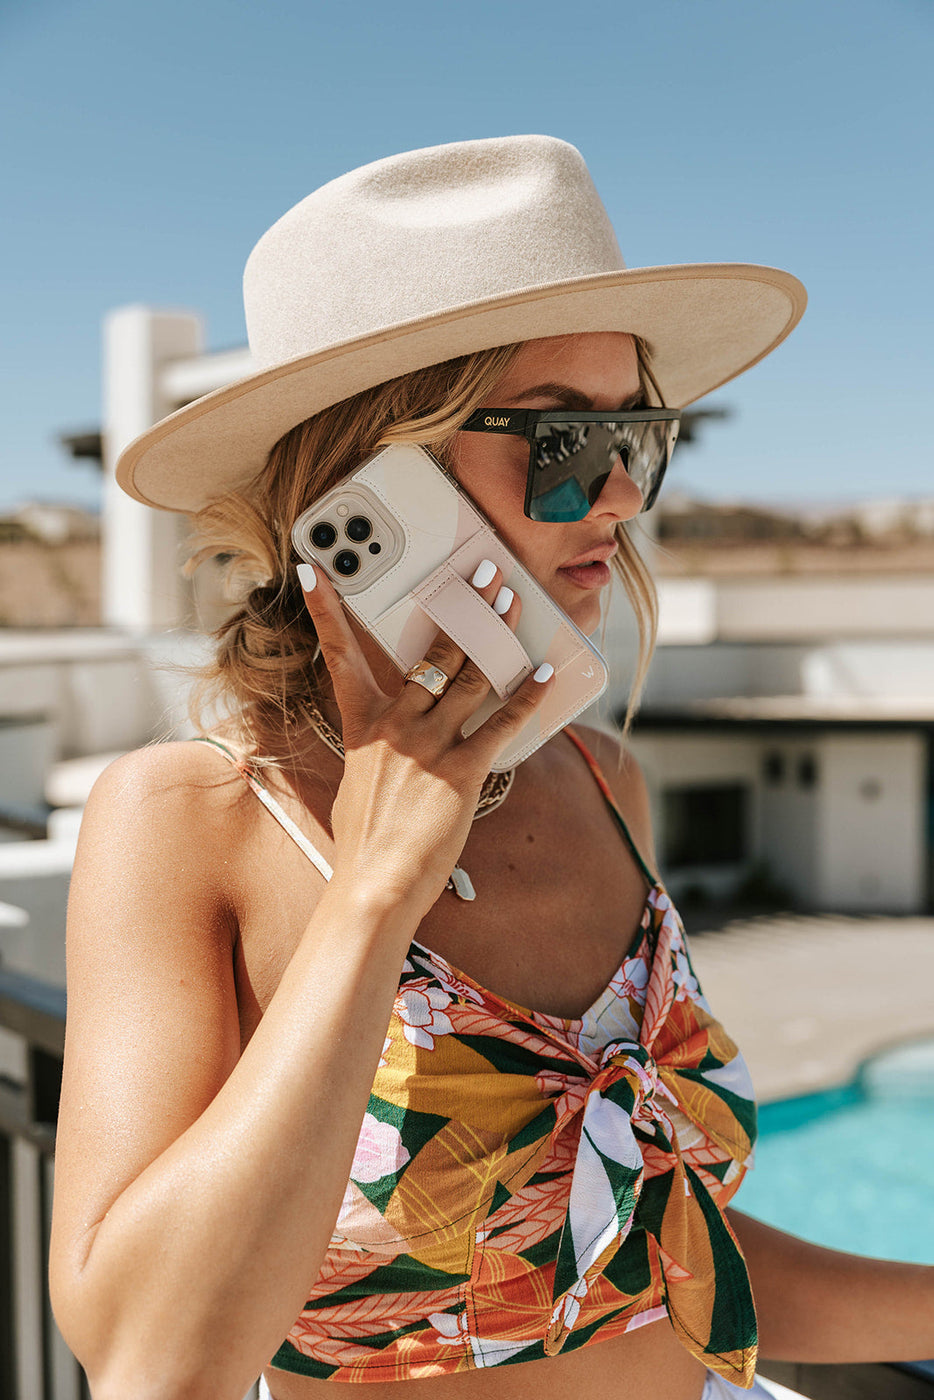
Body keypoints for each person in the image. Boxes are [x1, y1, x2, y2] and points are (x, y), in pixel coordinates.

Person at [49, 137, 932, 1400]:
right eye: (568, 443)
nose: (623, 496)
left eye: (640, 434)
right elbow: (151, 1363)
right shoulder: (191, 822)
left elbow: (642, 1262)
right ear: (366, 475)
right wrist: (374, 893)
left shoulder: (599, 779)